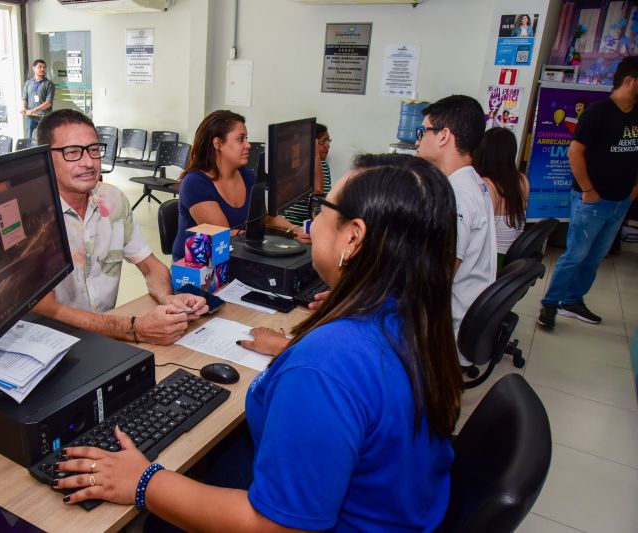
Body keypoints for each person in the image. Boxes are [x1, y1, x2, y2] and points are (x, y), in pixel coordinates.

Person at [53, 154, 464, 532]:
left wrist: (141, 483)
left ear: (353, 238)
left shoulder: (328, 365)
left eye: (324, 210)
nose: (313, 222)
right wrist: (292, 350)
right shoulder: (415, 316)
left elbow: (274, 527)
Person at [32, 109, 208, 345]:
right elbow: (48, 310)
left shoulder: (112, 200)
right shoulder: (32, 219)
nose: (88, 162)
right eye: (72, 152)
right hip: (50, 341)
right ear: (43, 157)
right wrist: (133, 329)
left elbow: (151, 266)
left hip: (104, 335)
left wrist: (169, 299)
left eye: (94, 150)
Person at [538, 55, 638, 328]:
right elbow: (575, 152)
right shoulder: (598, 112)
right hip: (592, 199)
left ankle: (573, 300)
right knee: (576, 255)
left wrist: (634, 188)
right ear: (630, 80)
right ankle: (550, 305)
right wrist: (588, 190)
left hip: (621, 200)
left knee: (595, 257)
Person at [416, 94, 496, 369]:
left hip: (446, 329)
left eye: (423, 131)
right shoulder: (474, 182)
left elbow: (438, 274)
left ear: (443, 136)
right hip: (463, 317)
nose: (418, 140)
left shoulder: (458, 195)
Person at [171, 110, 308, 261]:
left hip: (237, 255)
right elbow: (224, 235)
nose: (248, 145)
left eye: (246, 138)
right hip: (201, 269)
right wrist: (277, 236)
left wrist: (296, 231)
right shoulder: (195, 183)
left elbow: (265, 218)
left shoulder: (247, 176)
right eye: (241, 139)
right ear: (218, 143)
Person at [473, 127, 529, 271]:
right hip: (512, 260)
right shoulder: (522, 180)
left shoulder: (487, 185)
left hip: (492, 262)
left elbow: (474, 236)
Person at [281, 123, 332, 227]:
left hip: (314, 224)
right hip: (294, 225)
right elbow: (318, 191)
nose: (328, 145)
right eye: (324, 142)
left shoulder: (324, 166)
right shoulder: (297, 165)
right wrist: (315, 154)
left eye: (328, 141)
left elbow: (322, 198)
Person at [21, 59, 55, 140]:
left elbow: (49, 102)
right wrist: (23, 108)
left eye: (44, 67)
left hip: (44, 117)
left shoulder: (49, 84)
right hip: (31, 117)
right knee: (30, 139)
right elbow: (24, 98)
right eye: (40, 67)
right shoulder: (28, 83)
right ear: (34, 68)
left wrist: (34, 110)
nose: (42, 69)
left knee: (44, 139)